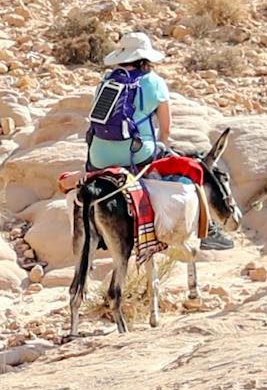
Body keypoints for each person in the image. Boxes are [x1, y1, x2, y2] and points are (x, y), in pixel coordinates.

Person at [86, 32, 233, 249]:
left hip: (97, 157)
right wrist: (163, 148)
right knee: (194, 170)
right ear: (145, 58)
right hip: (137, 154)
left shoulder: (105, 82)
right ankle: (208, 229)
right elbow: (166, 128)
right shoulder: (153, 82)